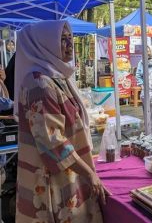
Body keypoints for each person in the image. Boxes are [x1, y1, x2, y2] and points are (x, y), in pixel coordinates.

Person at [14, 21, 105, 222]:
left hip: (67, 171)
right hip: (51, 178)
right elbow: (53, 142)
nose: (69, 45)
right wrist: (89, 173)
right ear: (44, 44)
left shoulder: (55, 76)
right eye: (61, 40)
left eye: (70, 38)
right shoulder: (39, 83)